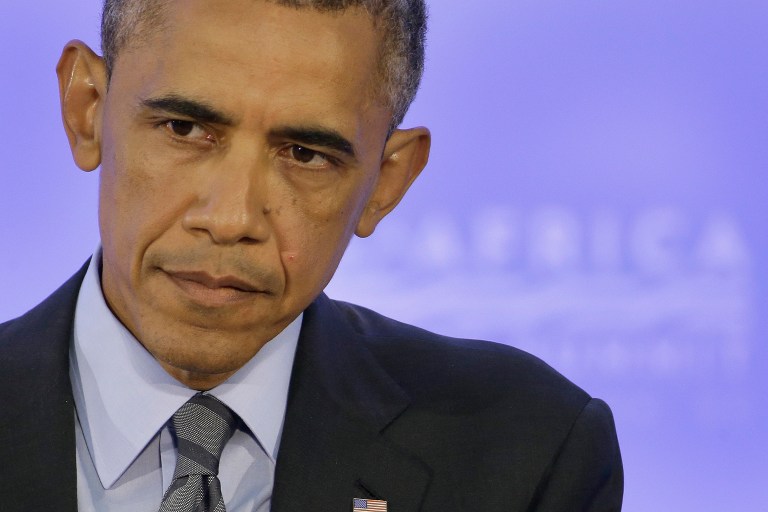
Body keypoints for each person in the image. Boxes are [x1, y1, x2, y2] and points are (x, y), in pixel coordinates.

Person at [0, 0, 623, 510]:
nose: (232, 219)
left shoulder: (527, 451)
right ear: (87, 111)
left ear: (386, 182)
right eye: (184, 129)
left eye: (304, 155)